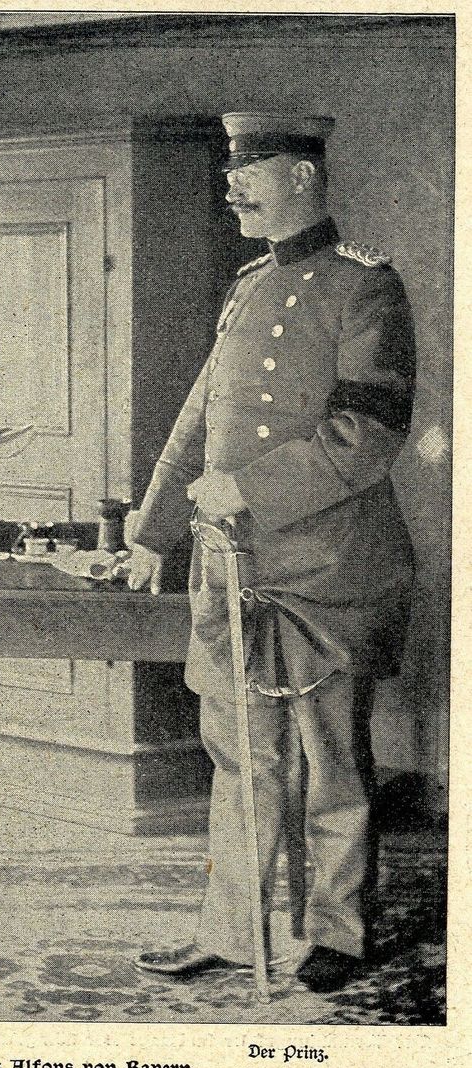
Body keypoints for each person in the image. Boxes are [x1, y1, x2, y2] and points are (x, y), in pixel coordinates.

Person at [127, 113, 416, 994]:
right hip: (232, 565)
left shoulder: (366, 287)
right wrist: (152, 528)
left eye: (248, 171)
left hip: (327, 568)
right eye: (230, 170)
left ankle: (339, 931)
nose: (231, 187)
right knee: (239, 758)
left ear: (301, 175)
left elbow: (369, 433)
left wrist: (250, 489)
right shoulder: (250, 284)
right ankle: (228, 930)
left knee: (332, 763)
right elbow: (201, 416)